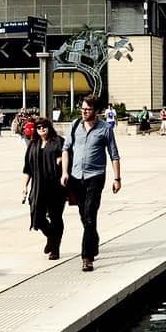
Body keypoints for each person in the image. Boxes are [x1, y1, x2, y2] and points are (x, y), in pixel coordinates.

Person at [61, 94, 122, 273]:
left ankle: (87, 257)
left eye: (88, 109)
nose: (84, 112)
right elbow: (66, 149)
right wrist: (65, 172)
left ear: (96, 111)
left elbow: (114, 154)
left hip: (95, 176)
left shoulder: (105, 129)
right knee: (84, 215)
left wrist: (117, 178)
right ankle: (93, 240)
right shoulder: (74, 126)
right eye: (83, 108)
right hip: (76, 176)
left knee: (89, 214)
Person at [23, 117, 66, 260]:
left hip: (55, 187)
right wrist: (24, 186)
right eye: (38, 127)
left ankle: (55, 248)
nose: (41, 129)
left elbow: (68, 155)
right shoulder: (33, 144)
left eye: (44, 126)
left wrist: (62, 160)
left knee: (55, 217)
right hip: (38, 187)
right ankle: (51, 237)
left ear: (49, 127)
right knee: (38, 217)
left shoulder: (58, 141)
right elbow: (27, 168)